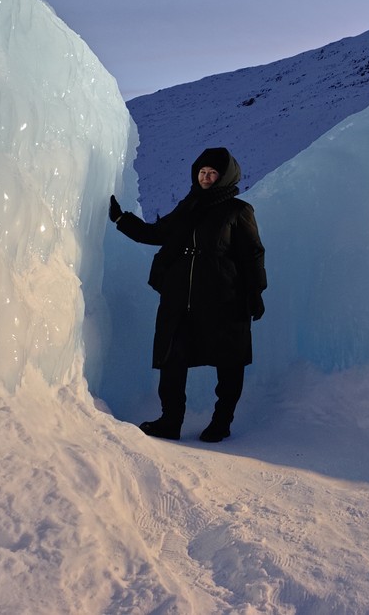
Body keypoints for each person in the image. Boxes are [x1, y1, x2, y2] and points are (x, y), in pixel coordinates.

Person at [109, 147, 267, 441]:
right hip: (181, 299)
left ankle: (221, 423)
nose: (206, 177)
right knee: (172, 360)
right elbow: (156, 233)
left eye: (212, 173)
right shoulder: (188, 207)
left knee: (229, 362)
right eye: (202, 172)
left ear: (225, 176)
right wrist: (121, 219)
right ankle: (170, 421)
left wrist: (255, 292)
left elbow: (253, 254)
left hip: (224, 301)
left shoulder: (238, 211)